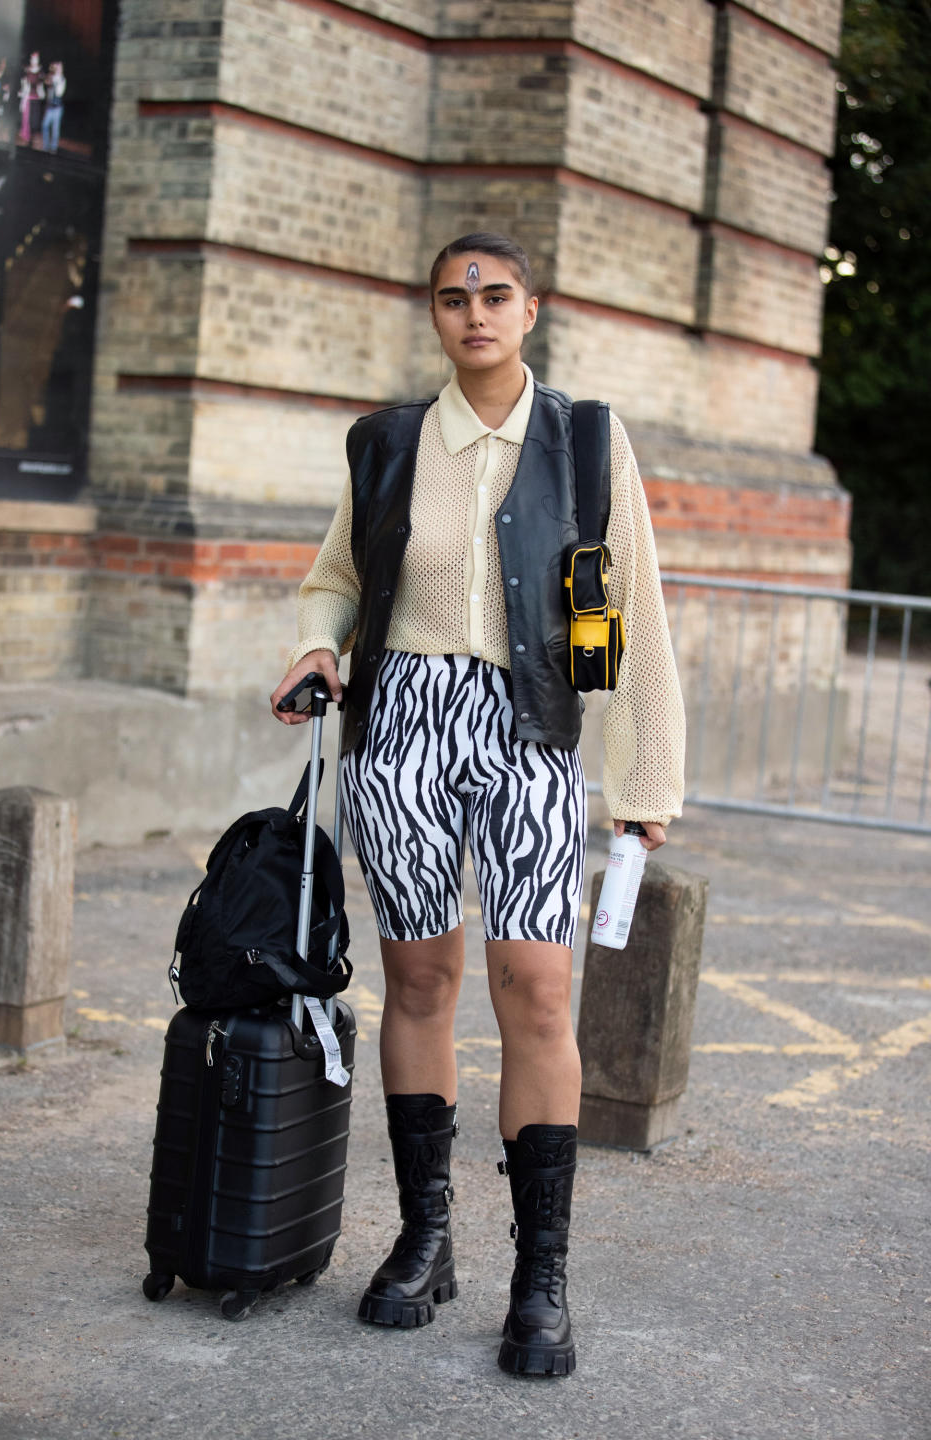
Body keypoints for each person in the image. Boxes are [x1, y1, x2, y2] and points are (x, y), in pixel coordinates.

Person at [270, 232, 685, 1377]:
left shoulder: (586, 440)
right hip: (400, 723)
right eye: (454, 299)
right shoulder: (391, 441)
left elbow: (637, 613)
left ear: (531, 308)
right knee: (416, 977)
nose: (475, 315)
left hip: (531, 731)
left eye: (495, 296)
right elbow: (339, 575)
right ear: (435, 314)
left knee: (537, 988)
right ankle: (424, 1237)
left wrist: (647, 779)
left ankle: (539, 1275)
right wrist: (317, 648)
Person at [41, 62, 66, 154]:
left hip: (57, 108)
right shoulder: (51, 76)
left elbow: (60, 93)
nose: (57, 69)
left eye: (59, 68)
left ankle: (53, 148)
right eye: (56, 68)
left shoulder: (62, 79)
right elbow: (46, 83)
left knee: (55, 128)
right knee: (45, 125)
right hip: (49, 106)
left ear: (61, 69)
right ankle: (46, 146)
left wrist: (55, 81)